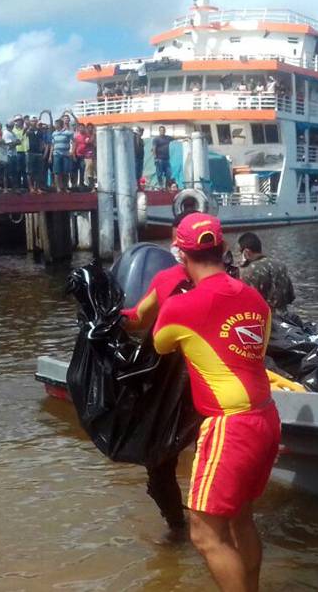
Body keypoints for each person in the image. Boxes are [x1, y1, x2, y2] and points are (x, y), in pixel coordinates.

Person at [153, 213, 280, 592]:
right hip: (266, 417)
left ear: (181, 254)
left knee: (205, 535)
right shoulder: (256, 299)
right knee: (242, 518)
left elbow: (161, 344)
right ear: (224, 249)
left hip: (229, 426)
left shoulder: (179, 308)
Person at [120, 212, 196, 535]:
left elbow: (137, 318)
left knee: (160, 457)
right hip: (208, 382)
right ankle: (199, 523)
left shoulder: (166, 280)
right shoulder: (230, 280)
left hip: (172, 383)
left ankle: (178, 527)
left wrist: (107, 317)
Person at [237, 232, 295, 313]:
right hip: (284, 316)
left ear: (246, 252)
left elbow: (247, 302)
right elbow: (291, 297)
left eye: (240, 252)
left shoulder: (249, 270)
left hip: (263, 318)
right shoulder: (280, 265)